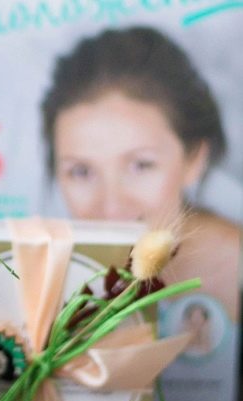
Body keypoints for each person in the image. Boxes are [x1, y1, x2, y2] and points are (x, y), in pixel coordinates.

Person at [41, 26, 240, 322]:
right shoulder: (38, 281)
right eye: (81, 171)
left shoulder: (235, 268)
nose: (111, 209)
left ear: (194, 160)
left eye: (141, 165)